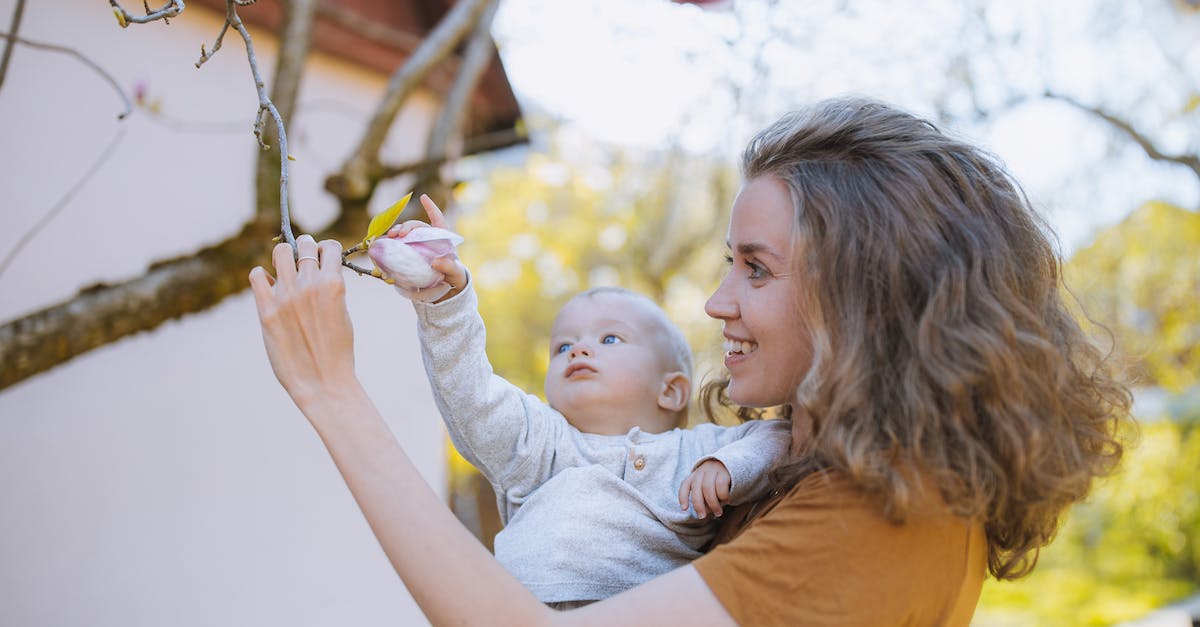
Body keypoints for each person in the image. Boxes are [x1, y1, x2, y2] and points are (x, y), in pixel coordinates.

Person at [249, 96, 1132, 625]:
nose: (717, 302)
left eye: (757, 269)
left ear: (865, 295)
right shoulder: (802, 470)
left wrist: (332, 391)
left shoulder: (883, 513)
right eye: (727, 264)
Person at [374, 222, 790, 606]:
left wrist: (729, 466)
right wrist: (447, 303)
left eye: (609, 338)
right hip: (520, 611)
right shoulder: (540, 445)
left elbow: (781, 434)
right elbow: (471, 395)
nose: (579, 349)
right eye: (563, 346)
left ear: (670, 390)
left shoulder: (697, 451)